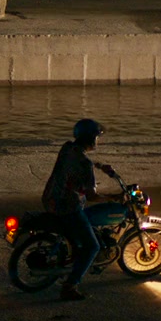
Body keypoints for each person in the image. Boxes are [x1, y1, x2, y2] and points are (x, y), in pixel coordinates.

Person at [40, 118, 117, 301]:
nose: (98, 140)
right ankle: (70, 286)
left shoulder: (67, 148)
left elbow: (77, 161)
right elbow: (92, 196)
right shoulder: (85, 164)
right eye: (97, 137)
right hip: (66, 207)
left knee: (83, 228)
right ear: (91, 138)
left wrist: (99, 166)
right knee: (93, 246)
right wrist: (112, 198)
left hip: (50, 199)